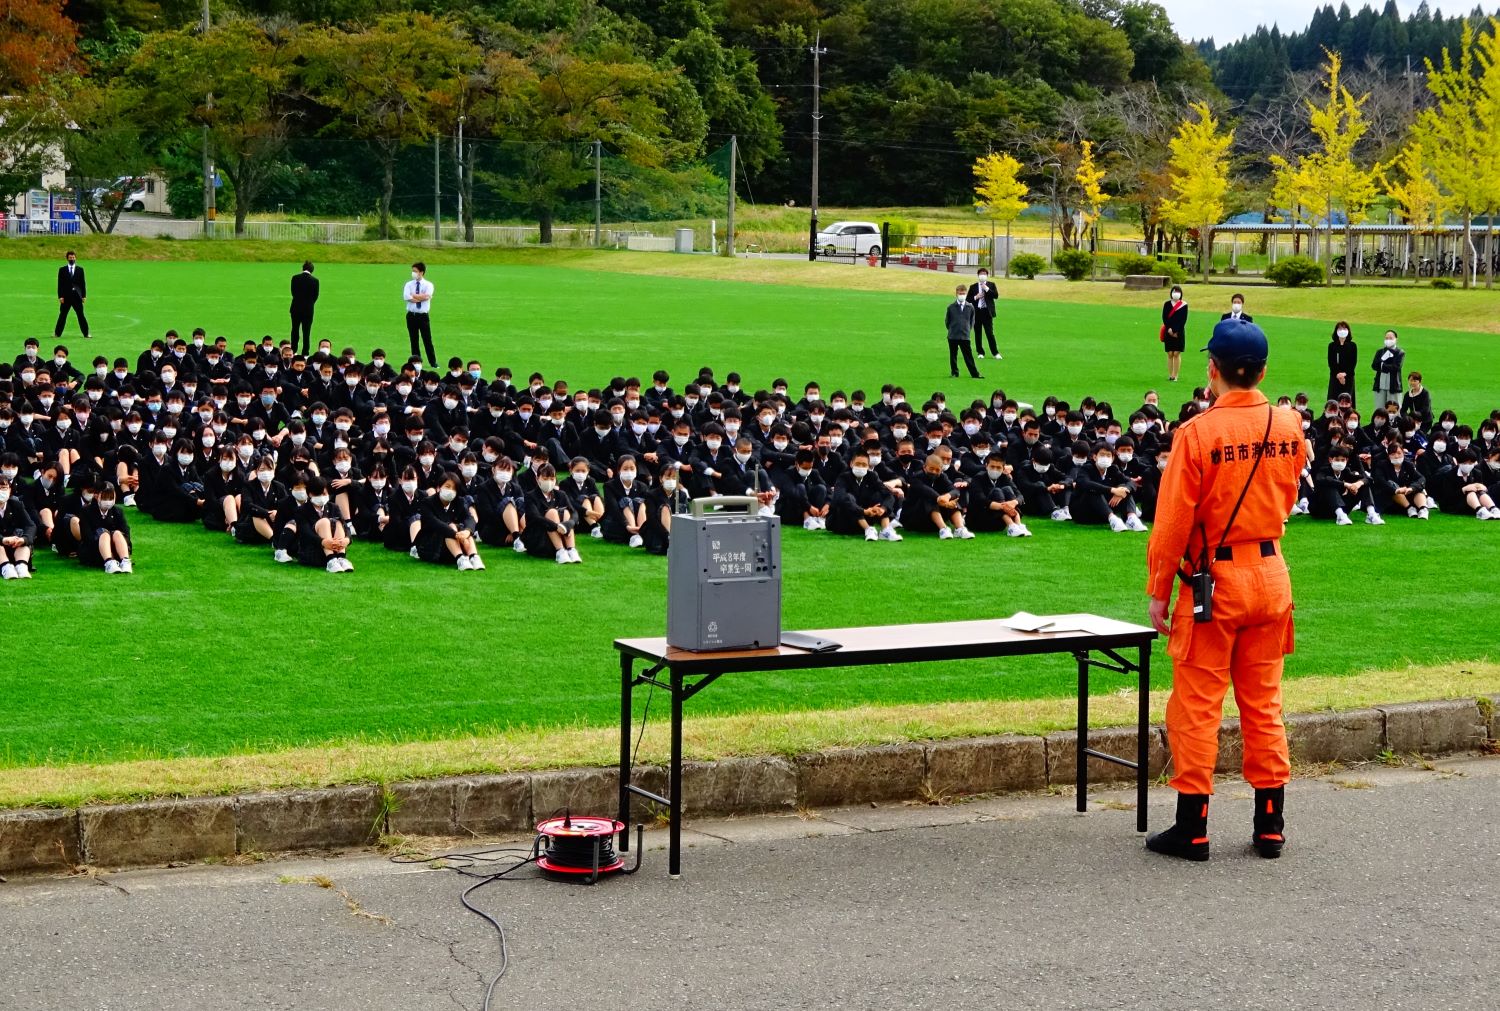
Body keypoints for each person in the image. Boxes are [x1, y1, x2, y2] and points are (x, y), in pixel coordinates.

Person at [1145, 318, 1303, 863]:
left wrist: (1159, 589)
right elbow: (1284, 497)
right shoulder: (1289, 425)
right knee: (1263, 704)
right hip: (1272, 573)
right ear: (1262, 371)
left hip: (1216, 582)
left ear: (1211, 369)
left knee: (1197, 704)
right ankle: (1270, 825)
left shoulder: (1196, 434)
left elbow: (1171, 525)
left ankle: (1192, 826)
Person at [403, 262, 437, 368]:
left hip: (423, 316)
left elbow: (427, 297)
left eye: (415, 271)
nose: (413, 273)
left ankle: (433, 362)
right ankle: (416, 362)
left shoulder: (428, 285)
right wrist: (419, 297)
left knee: (427, 339)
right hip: (411, 315)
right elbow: (407, 297)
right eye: (412, 271)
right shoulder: (408, 284)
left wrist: (414, 295)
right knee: (414, 339)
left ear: (421, 272)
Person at [945, 285, 981, 380]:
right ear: (956, 294)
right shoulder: (951, 307)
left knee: (968, 356)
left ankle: (975, 373)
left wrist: (967, 330)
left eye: (963, 294)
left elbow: (972, 321)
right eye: (960, 294)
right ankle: (954, 373)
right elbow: (947, 321)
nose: (962, 295)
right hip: (953, 336)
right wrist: (952, 329)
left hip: (965, 336)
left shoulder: (970, 307)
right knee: (953, 356)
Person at [966, 267, 1001, 360]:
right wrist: (975, 297)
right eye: (981, 273)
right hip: (977, 312)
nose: (983, 275)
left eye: (984, 273)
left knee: (989, 333)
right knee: (978, 333)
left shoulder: (991, 285)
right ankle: (980, 352)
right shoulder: (973, 286)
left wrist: (986, 289)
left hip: (987, 312)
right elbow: (967, 299)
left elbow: (995, 296)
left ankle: (995, 352)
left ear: (987, 275)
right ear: (978, 275)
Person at [55, 251, 90, 341]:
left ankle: (86, 333)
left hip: (77, 297)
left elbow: (83, 283)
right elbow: (60, 284)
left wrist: (84, 296)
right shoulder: (62, 270)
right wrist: (60, 296)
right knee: (62, 315)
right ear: (67, 258)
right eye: (70, 258)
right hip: (66, 297)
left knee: (81, 315)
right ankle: (57, 334)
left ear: (75, 258)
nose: (72, 259)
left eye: (73, 257)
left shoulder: (80, 270)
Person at [1371, 328, 1404, 415]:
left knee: (1394, 410)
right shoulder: (1380, 351)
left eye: (1391, 338)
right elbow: (1374, 365)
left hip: (1393, 385)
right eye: (1386, 338)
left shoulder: (1400, 352)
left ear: (1396, 339)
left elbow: (1396, 367)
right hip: (1380, 385)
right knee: (1379, 410)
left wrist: (1382, 365)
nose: (1388, 340)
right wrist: (1383, 364)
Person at [290, 261, 319, 356]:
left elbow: (293, 292)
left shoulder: (295, 278)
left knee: (295, 330)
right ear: (312, 270)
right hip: (308, 310)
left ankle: (293, 350)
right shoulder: (315, 281)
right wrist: (309, 304)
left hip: (296, 308)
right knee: (306, 332)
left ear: (303, 268)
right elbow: (315, 296)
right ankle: (305, 353)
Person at [1160, 285, 1187, 382]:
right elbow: (1164, 317)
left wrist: (1175, 330)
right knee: (1170, 353)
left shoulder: (1184, 305)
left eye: (1178, 292)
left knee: (1176, 353)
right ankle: (1170, 375)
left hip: (1179, 332)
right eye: (1174, 291)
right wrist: (1169, 329)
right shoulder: (1167, 304)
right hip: (1168, 331)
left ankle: (1175, 375)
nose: (1176, 293)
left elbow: (1183, 320)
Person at [1327, 322, 1357, 403]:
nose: (1342, 331)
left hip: (1348, 377)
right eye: (1340, 329)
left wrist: (1344, 374)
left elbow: (1353, 363)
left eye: (1344, 328)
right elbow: (1331, 362)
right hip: (1335, 377)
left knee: (1347, 401)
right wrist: (1338, 375)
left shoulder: (1352, 345)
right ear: (1336, 331)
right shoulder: (1332, 346)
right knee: (1333, 400)